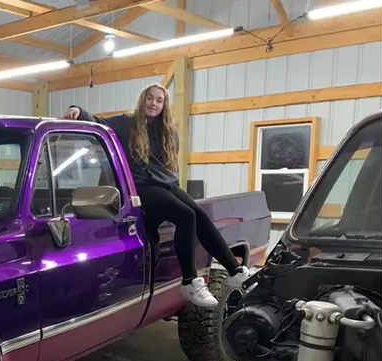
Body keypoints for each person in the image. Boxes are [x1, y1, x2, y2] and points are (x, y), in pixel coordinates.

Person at [61, 83, 253, 308]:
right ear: (142, 100)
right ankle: (191, 282)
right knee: (185, 216)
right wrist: (77, 110)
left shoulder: (169, 130)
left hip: (167, 184)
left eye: (159, 100)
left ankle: (236, 270)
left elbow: (172, 167)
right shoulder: (127, 123)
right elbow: (97, 122)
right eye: (150, 98)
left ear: (164, 105)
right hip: (142, 187)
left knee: (199, 215)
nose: (153, 103)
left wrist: (176, 191)